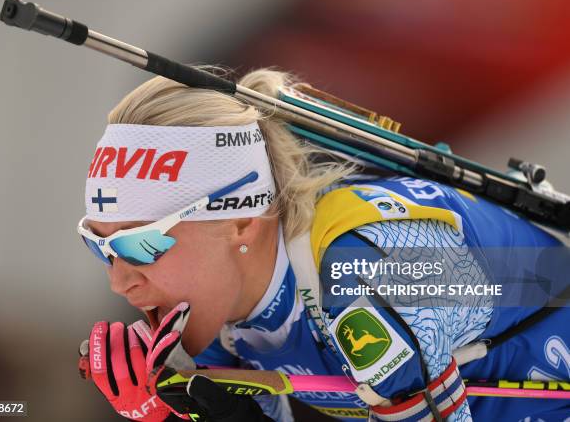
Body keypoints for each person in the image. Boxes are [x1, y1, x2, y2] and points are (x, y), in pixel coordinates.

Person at [78, 69, 569, 421]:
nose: (119, 281)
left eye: (142, 245)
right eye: (99, 247)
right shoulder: (222, 315)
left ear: (242, 223)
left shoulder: (365, 271)